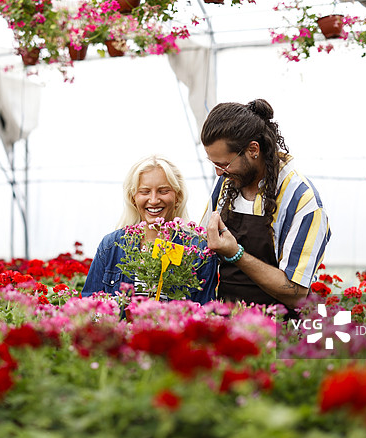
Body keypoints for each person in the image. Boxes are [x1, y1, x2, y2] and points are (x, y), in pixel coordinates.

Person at [200, 99, 330, 313]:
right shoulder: (226, 183)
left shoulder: (302, 200)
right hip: (227, 323)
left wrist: (236, 253)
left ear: (253, 149)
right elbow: (200, 242)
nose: (219, 172)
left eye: (224, 164)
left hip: (278, 328)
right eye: (214, 164)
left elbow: (296, 293)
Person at [81, 155, 217, 304]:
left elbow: (206, 311)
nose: (153, 200)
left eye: (163, 191)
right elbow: (89, 304)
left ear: (178, 196)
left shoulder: (198, 250)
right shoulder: (111, 246)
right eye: (145, 192)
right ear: (133, 198)